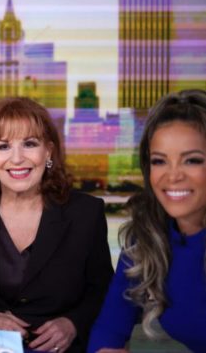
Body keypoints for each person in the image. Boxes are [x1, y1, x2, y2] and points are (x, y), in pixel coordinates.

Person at [0, 97, 113, 353]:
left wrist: (72, 323)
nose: (17, 158)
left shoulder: (85, 213)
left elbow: (102, 291)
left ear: (48, 151)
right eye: (3, 146)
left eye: (29, 144)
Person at [88, 89, 206, 353]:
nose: (173, 176)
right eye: (159, 161)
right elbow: (109, 329)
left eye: (192, 160)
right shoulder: (145, 236)